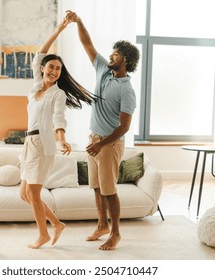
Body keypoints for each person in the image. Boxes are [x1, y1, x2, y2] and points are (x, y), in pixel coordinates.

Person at [19, 14, 95, 249]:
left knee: (33, 192)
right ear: (42, 69)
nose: (54, 71)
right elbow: (40, 53)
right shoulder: (35, 88)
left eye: (58, 69)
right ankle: (57, 224)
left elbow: (58, 118)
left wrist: (61, 138)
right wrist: (60, 29)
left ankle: (43, 234)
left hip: (43, 145)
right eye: (51, 67)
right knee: (25, 195)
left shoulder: (58, 94)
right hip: (28, 144)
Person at [68, 11, 140, 250]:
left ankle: (116, 233)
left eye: (116, 54)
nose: (111, 55)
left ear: (125, 61)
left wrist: (101, 144)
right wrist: (79, 21)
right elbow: (86, 43)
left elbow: (125, 126)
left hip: (109, 144)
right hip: (94, 139)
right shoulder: (103, 69)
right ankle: (102, 225)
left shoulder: (127, 90)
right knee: (97, 187)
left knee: (109, 191)